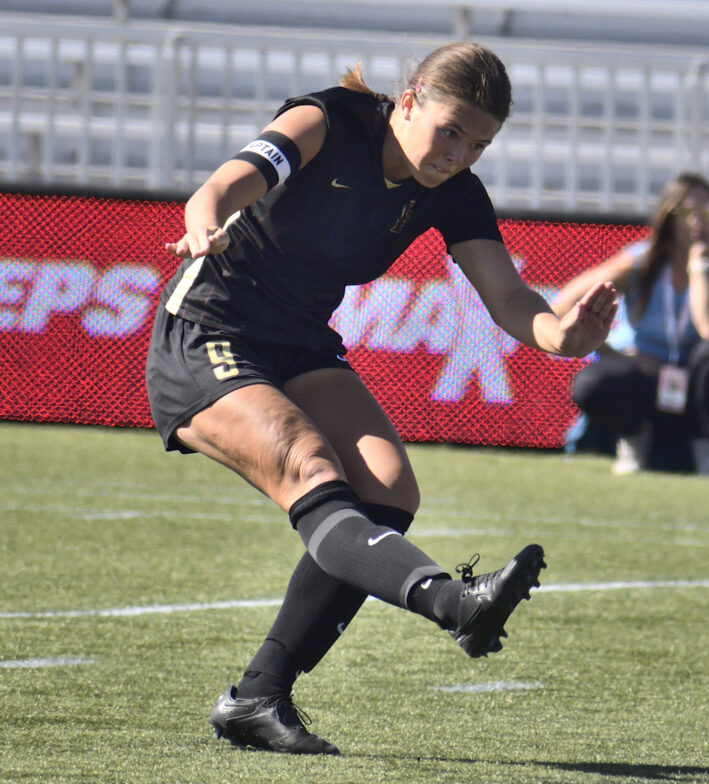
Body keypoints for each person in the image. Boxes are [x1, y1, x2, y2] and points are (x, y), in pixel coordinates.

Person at [144, 42, 617, 755]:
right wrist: (204, 217)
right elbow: (229, 182)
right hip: (210, 327)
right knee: (310, 466)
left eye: (479, 143)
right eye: (452, 130)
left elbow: (512, 298)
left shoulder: (453, 191)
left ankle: (258, 696)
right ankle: (453, 602)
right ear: (412, 96)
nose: (459, 154)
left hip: (298, 340)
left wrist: (563, 334)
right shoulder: (328, 120)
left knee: (389, 491)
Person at [552, 173, 709, 476]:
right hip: (646, 381)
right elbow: (563, 305)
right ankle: (633, 439)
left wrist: (698, 267)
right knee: (593, 384)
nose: (698, 222)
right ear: (668, 217)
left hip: (695, 388)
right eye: (687, 213)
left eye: (707, 212)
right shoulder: (640, 261)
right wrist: (616, 355)